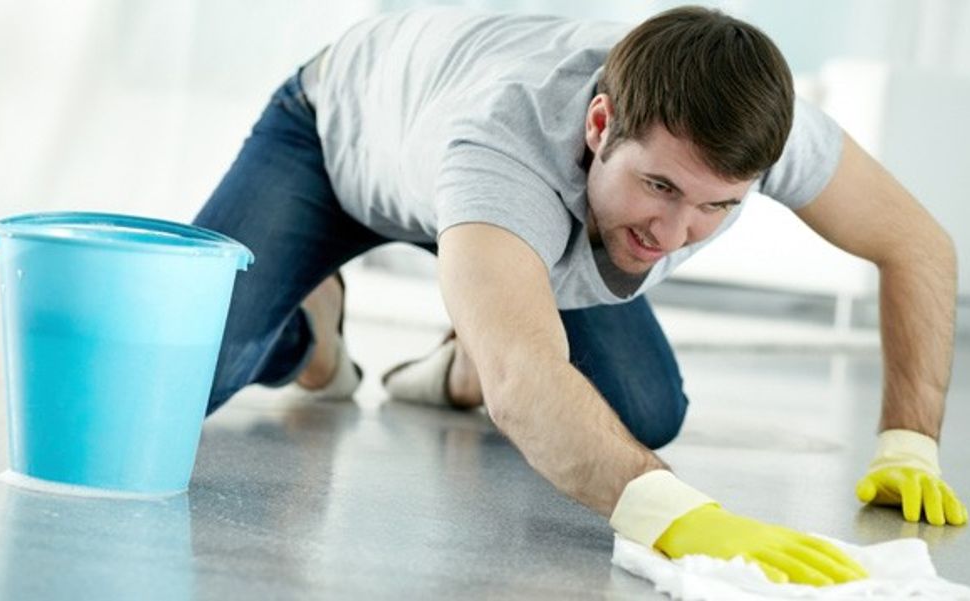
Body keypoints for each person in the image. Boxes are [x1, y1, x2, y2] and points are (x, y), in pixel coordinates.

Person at [193, 5, 966, 586]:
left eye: (716, 206)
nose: (673, 231)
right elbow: (528, 387)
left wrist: (909, 441)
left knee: (643, 411)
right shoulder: (500, 145)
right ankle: (311, 337)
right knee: (193, 367)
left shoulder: (762, 129)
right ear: (601, 123)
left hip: (492, 217)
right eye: (658, 185)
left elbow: (918, 245)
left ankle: (471, 345)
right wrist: (686, 519)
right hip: (336, 138)